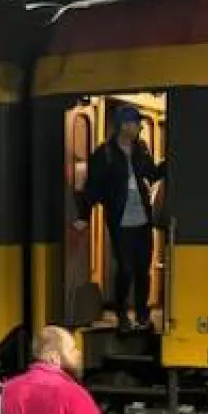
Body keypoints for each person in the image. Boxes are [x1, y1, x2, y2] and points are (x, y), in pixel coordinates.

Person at [74, 104, 166, 333]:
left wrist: (169, 162)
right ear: (124, 126)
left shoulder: (141, 149)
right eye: (136, 123)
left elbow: (152, 173)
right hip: (120, 220)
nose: (139, 128)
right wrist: (83, 216)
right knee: (125, 268)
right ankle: (122, 313)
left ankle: (143, 315)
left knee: (143, 269)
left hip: (142, 220)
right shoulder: (104, 154)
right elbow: (93, 187)